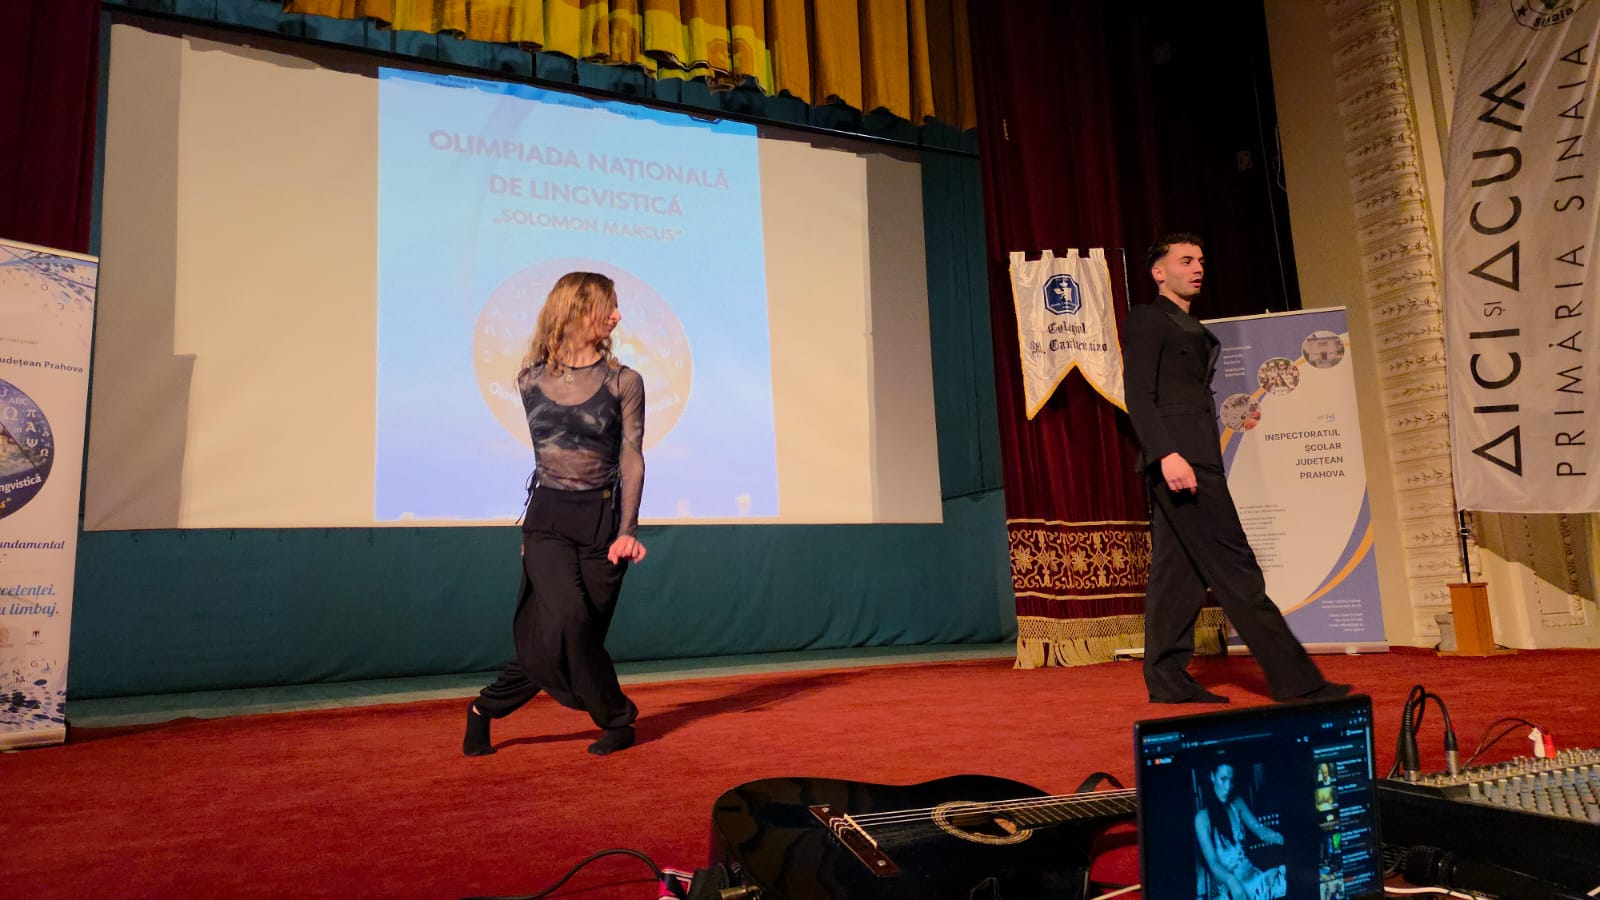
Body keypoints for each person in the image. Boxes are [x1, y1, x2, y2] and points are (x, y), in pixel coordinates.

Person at [1121, 233, 1348, 704]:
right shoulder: (1147, 318)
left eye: (1201, 260)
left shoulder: (1190, 325)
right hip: (1181, 460)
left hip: (1197, 454)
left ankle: (1166, 679)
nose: (1197, 268)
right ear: (1159, 272)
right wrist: (1166, 454)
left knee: (1178, 574)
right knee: (1236, 566)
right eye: (1185, 260)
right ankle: (1297, 681)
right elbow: (1139, 394)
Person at [463, 271, 648, 757]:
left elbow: (631, 455)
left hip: (603, 522)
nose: (617, 315)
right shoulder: (529, 381)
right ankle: (618, 717)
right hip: (548, 520)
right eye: (608, 305)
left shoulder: (624, 382)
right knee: (568, 619)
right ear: (576, 309)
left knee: (567, 638)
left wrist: (627, 530)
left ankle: (483, 709)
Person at [1194, 761, 1287, 900]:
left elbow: (1261, 831)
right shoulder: (1202, 819)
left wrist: (1287, 841)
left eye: (1231, 781)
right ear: (1213, 777)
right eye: (1223, 779)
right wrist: (1231, 880)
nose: (1227, 787)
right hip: (1230, 888)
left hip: (1254, 877)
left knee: (1289, 875)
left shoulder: (1236, 803)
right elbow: (1213, 863)